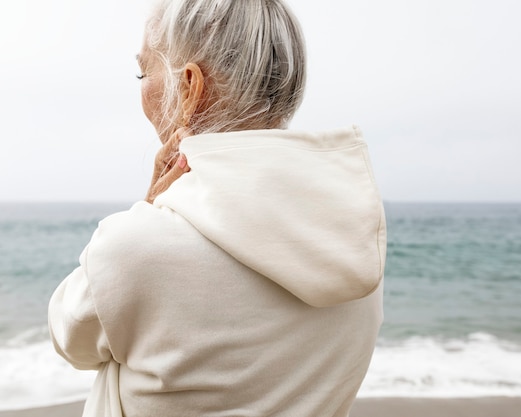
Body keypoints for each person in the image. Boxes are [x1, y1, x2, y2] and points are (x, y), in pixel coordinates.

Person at [48, 0, 387, 416]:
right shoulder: (352, 245)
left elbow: (68, 336)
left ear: (189, 88)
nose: (141, 87)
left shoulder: (135, 248)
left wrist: (149, 207)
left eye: (144, 72)